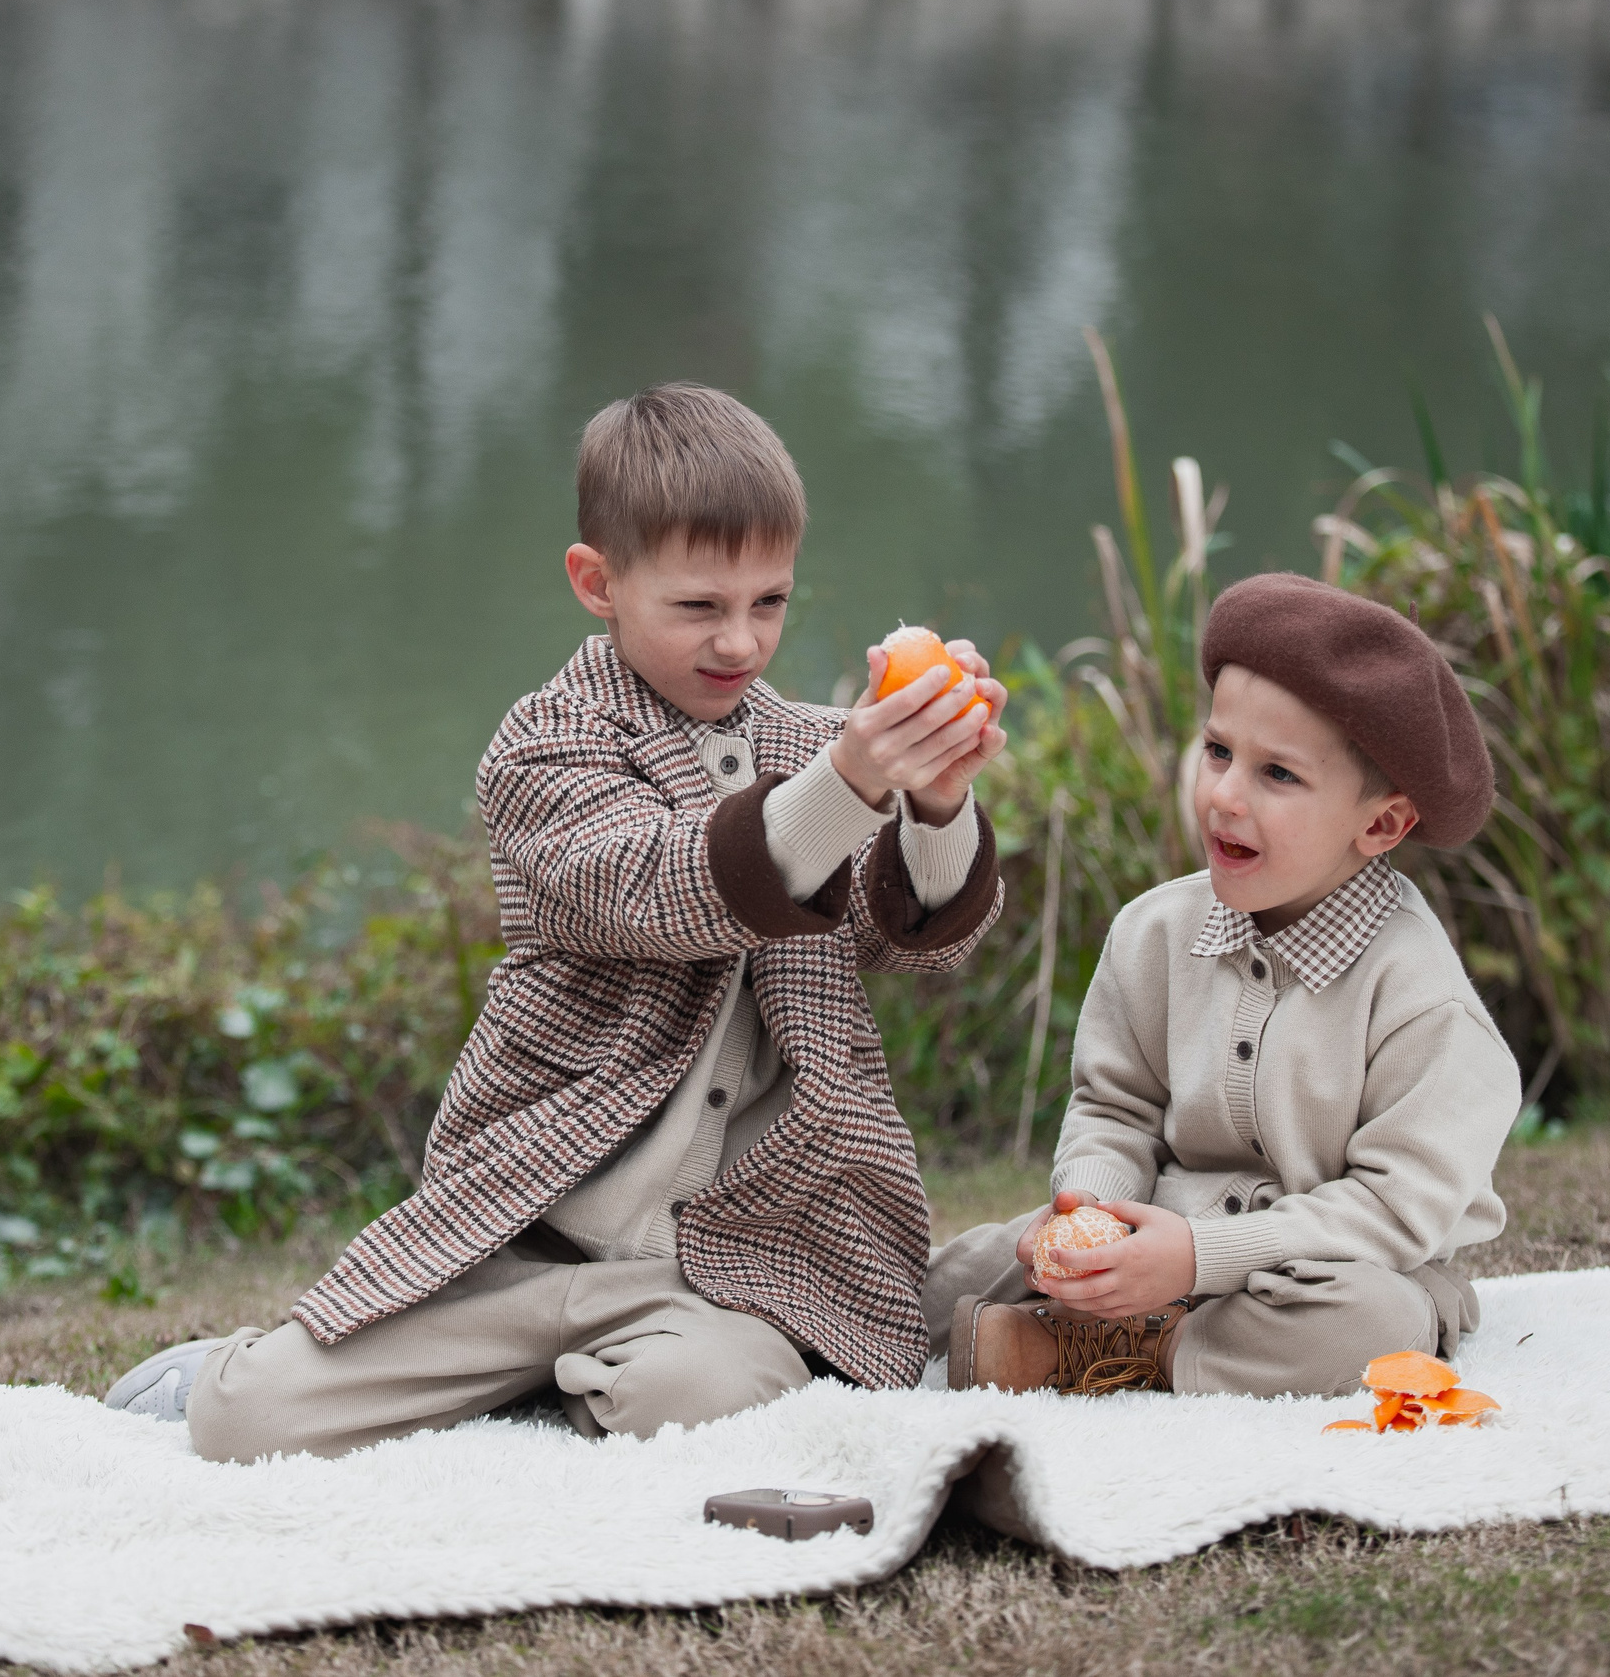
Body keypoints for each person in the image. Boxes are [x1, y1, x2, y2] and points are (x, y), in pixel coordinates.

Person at [109, 382, 1006, 1458]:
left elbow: (924, 935)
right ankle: (259, 1366)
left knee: (712, 1398)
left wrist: (935, 799)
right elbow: (663, 889)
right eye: (698, 606)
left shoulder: (816, 748)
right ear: (598, 582)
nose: (741, 641)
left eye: (769, 601)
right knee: (242, 1422)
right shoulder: (545, 747)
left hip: (740, 1254)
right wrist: (853, 780)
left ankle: (566, 1382)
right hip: (530, 1238)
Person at [928, 571, 1517, 1397]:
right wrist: (1090, 1212)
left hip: (1329, 1269)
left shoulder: (1424, 1003)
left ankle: (1123, 1350)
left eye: (1278, 775)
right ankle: (832, 1324)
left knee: (1376, 1324)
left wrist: (1201, 1259)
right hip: (1158, 1232)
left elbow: (1393, 1211)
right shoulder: (1155, 933)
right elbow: (1114, 1107)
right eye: (1218, 752)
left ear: (1380, 823)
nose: (1224, 796)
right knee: (978, 1259)